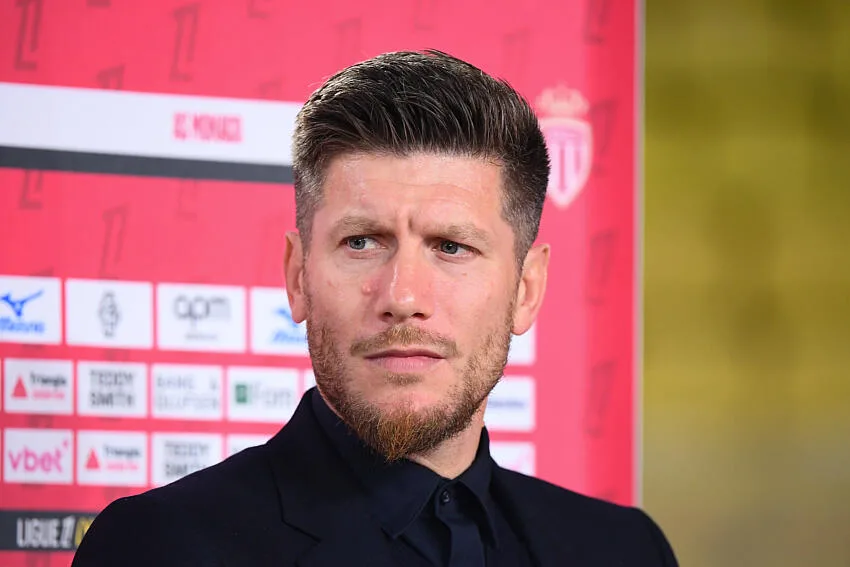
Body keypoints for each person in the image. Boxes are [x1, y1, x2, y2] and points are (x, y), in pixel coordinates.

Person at [72, 50, 678, 567]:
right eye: (361, 242)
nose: (403, 298)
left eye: (451, 246)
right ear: (298, 277)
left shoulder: (624, 550)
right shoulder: (158, 547)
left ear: (526, 290)